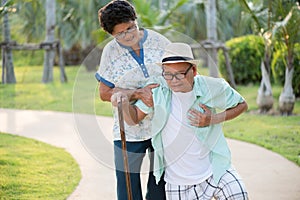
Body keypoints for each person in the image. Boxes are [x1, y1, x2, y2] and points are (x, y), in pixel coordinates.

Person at [115, 43, 249, 200]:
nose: (174, 80)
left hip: (214, 170)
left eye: (179, 74)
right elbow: (134, 118)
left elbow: (242, 105)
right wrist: (124, 102)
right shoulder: (157, 90)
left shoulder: (211, 87)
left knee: (239, 194)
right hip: (177, 181)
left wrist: (212, 119)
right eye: (168, 74)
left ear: (193, 71)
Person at [95, 1, 170, 200]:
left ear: (136, 21)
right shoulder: (110, 52)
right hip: (127, 132)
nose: (128, 36)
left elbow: (177, 74)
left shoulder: (159, 42)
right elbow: (104, 92)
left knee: (160, 188)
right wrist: (137, 93)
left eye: (131, 28)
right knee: (128, 190)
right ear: (111, 35)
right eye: (120, 34)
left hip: (161, 127)